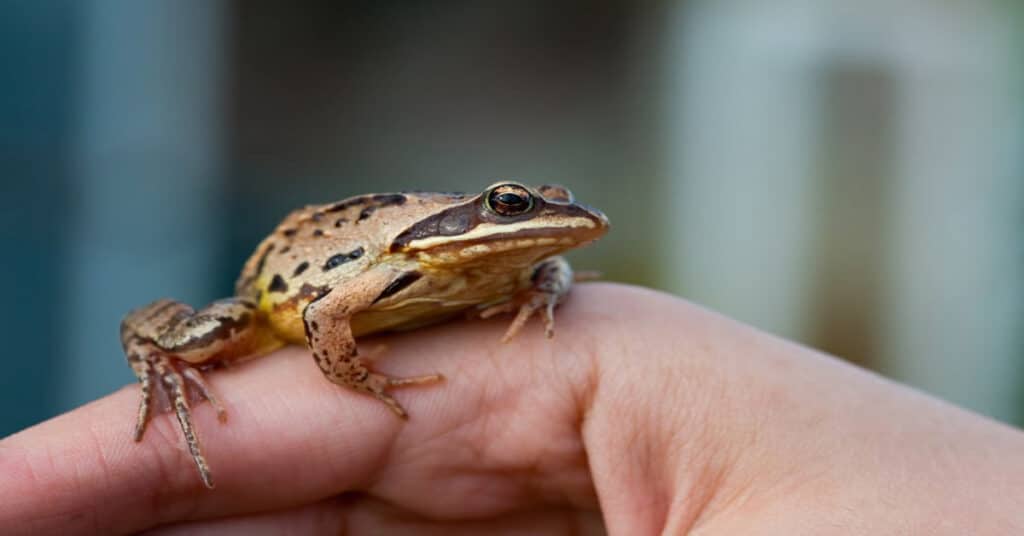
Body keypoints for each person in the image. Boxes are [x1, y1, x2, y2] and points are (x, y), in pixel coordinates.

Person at [2, 284, 1022, 534]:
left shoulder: (528, 277)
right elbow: (318, 311)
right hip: (286, 292)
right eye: (506, 209)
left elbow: (553, 256)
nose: (528, 234)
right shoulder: (389, 273)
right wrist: (366, 382)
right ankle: (162, 374)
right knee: (204, 335)